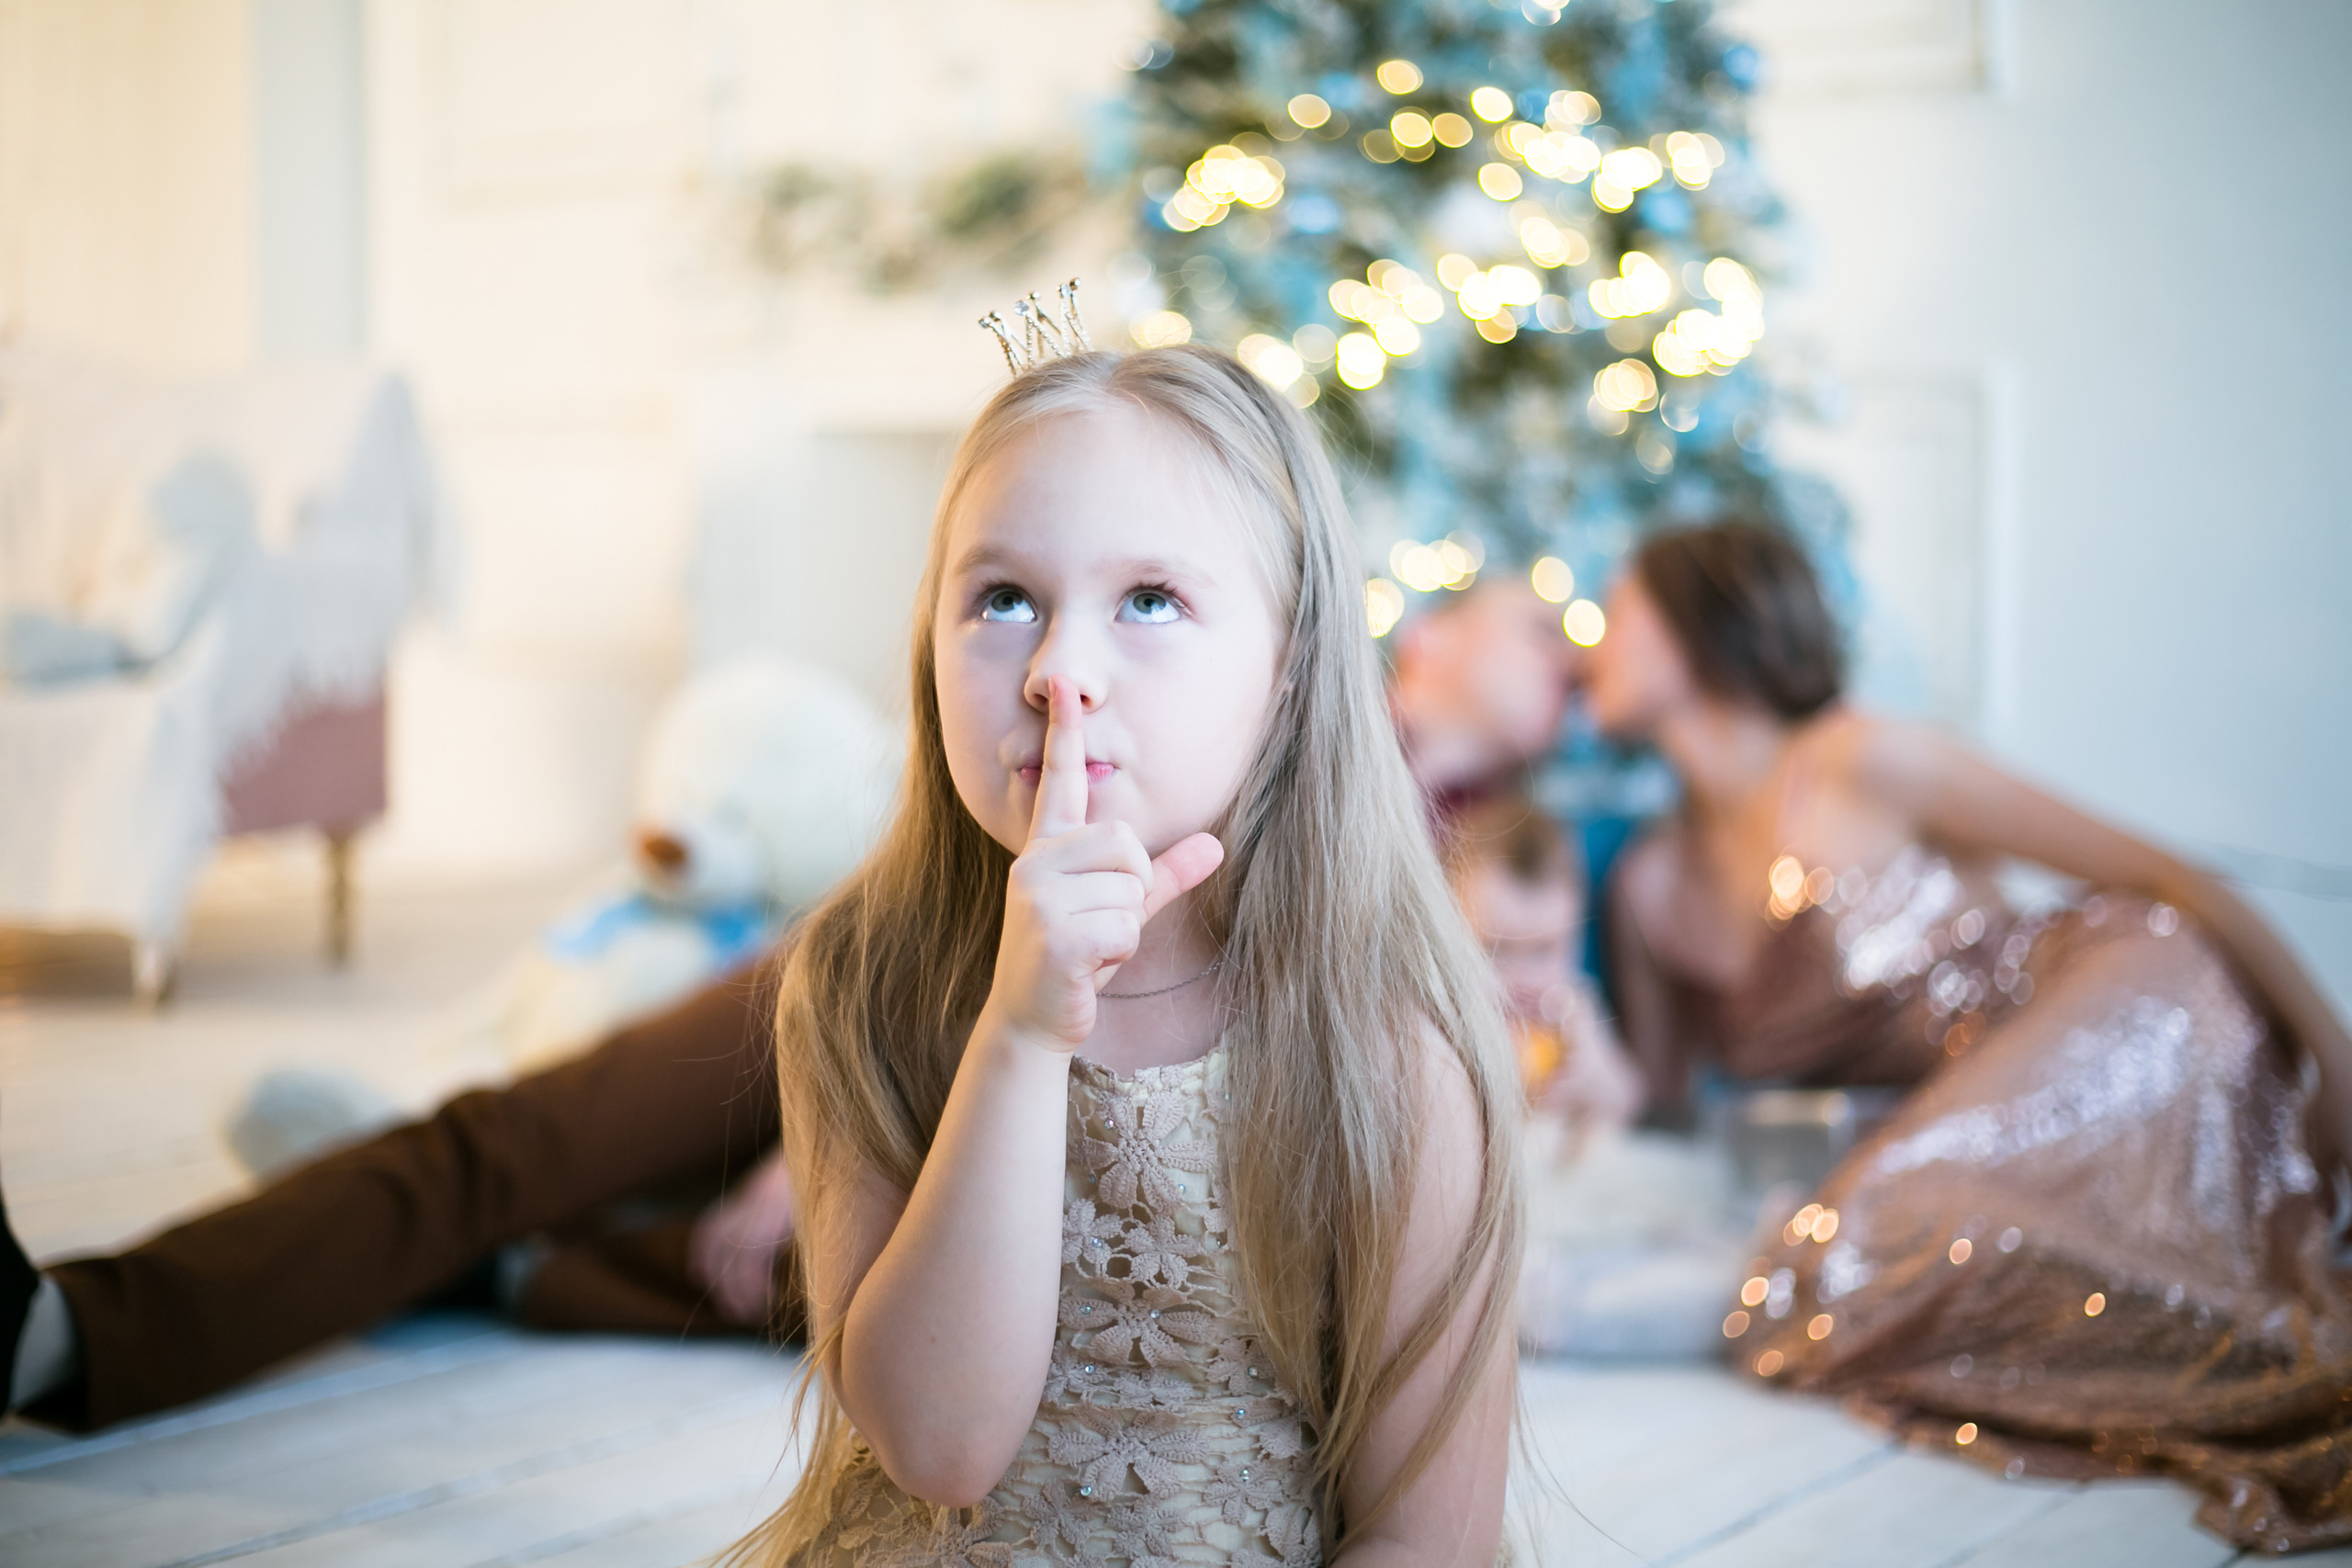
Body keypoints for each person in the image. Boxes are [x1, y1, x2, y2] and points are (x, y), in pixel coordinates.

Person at [720, 342, 1520, 1567]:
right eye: (1002, 598)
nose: (1057, 673)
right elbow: (939, 1443)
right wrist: (1023, 1029)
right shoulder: (863, 982)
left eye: (1150, 599)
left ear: (1292, 660)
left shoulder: (1389, 1047)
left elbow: (1430, 1538)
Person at [1588, 518, 2352, 1552]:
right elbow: (1659, 1111)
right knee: (1882, 1242)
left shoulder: (1862, 758)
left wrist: (2337, 1068)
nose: (1587, 638)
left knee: (1864, 1228)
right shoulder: (1647, 885)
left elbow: (2181, 881)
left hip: (2126, 999)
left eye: (1617, 610)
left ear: (1695, 627)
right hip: (1959, 1142)